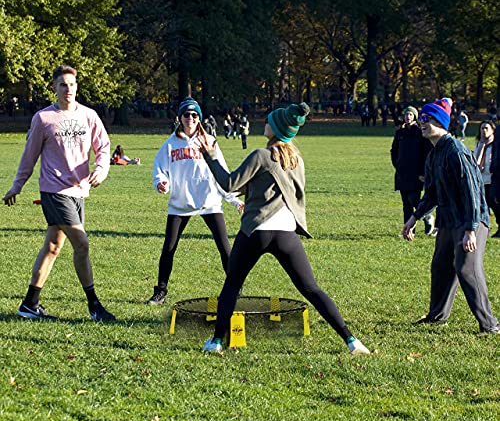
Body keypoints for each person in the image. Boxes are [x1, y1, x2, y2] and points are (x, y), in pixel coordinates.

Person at [198, 103, 371, 355]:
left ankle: (215, 342)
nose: (265, 123)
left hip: (256, 230)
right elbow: (283, 189)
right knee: (311, 288)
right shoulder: (297, 160)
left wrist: (210, 154)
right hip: (286, 234)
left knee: (232, 284)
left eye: (269, 121)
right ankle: (351, 340)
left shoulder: (261, 155)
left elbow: (229, 183)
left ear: (276, 129)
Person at [2, 65, 115, 322]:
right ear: (54, 87)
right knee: (82, 244)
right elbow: (29, 157)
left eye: (72, 84)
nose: (68, 89)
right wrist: (17, 186)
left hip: (78, 191)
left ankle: (29, 304)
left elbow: (104, 146)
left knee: (53, 246)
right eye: (63, 84)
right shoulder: (43, 119)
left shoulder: (89, 116)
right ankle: (94, 305)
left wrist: (102, 169)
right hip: (54, 191)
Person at [402, 98, 499, 334]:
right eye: (421, 119)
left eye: (427, 119)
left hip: (470, 220)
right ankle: (437, 316)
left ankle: (490, 325)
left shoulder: (455, 151)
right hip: (449, 221)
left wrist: (470, 230)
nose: (422, 123)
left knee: (466, 268)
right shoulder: (434, 154)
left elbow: (472, 192)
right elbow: (433, 192)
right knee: (441, 266)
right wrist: (414, 218)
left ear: (441, 123)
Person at [147, 97, 244, 305]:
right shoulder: (170, 144)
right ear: (179, 118)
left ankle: (235, 289)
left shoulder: (209, 141)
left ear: (199, 118)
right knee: (169, 248)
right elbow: (159, 171)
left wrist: (234, 201)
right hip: (180, 205)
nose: (190, 118)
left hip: (209, 202)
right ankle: (161, 291)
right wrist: (161, 183)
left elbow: (222, 174)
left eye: (194, 115)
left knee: (224, 247)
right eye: (186, 115)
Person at [391, 106, 436, 235]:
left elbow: (426, 153)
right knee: (406, 204)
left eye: (411, 114)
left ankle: (427, 216)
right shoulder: (400, 132)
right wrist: (397, 164)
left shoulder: (420, 132)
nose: (408, 117)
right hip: (402, 173)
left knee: (414, 199)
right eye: (406, 114)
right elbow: (394, 150)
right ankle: (409, 230)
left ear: (415, 117)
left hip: (416, 173)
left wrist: (423, 172)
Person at [474, 121, 500, 238]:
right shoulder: (480, 144)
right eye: (482, 128)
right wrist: (481, 146)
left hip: (493, 178)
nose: (483, 131)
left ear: (492, 130)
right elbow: (476, 163)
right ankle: (485, 229)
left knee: (493, 201)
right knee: (482, 206)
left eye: (486, 128)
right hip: (482, 180)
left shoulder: (496, 145)